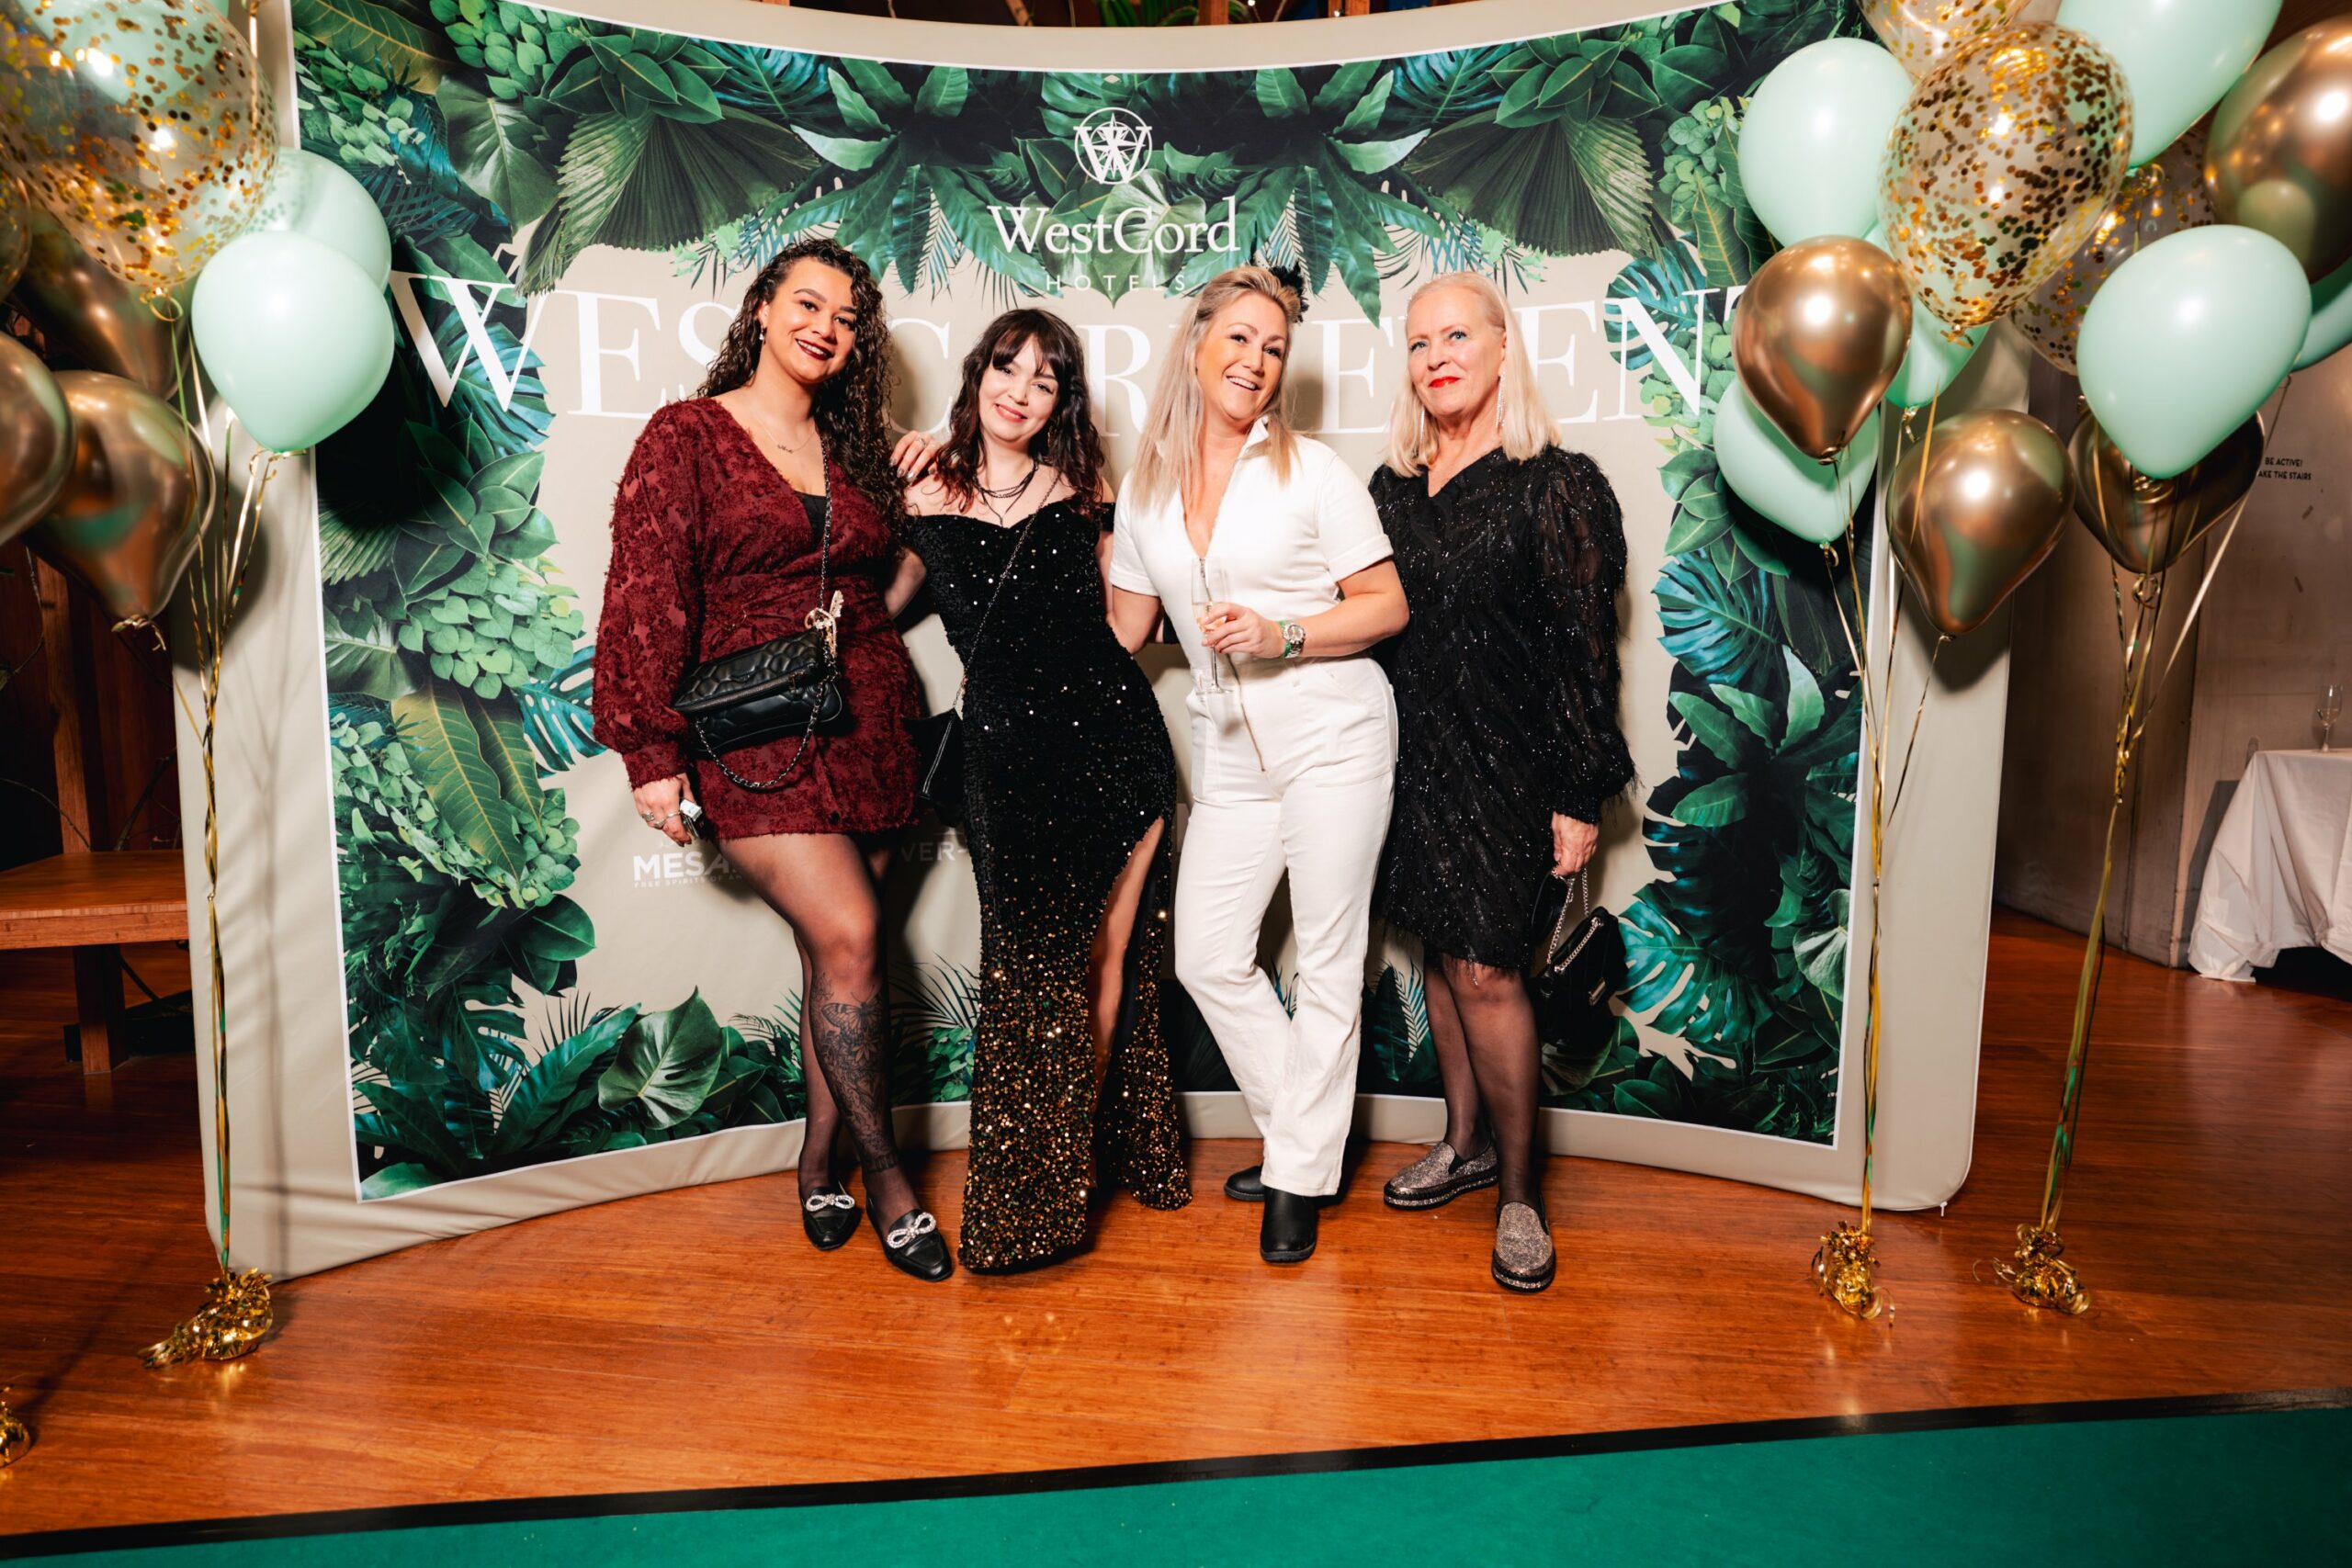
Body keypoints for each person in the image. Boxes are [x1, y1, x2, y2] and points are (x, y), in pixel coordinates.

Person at [591, 238, 952, 1283]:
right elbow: (646, 588)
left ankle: (814, 1163)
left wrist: (924, 500)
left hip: (870, 716)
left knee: (834, 961)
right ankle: (889, 1181)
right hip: (755, 732)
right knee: (851, 936)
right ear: (761, 309)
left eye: (844, 317)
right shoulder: (688, 434)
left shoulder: (856, 450)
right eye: (806, 303)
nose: (823, 327)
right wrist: (649, 752)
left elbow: (886, 580)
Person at [1104, 265, 1408, 1267]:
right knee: (1205, 955)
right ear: (1196, 344)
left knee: (1326, 958)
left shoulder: (1309, 470)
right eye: (1239, 338)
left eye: (1274, 348)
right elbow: (1126, 628)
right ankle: (1303, 1144)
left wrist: (1282, 632)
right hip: (1228, 745)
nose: (1256, 361)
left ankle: (1295, 1176)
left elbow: (1385, 606)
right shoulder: (1144, 493)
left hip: (1333, 730)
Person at [894, 310, 1191, 1272]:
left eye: (1044, 380)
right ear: (977, 374)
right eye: (1006, 368)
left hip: (1114, 745)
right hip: (1004, 762)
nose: (1020, 392)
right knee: (1030, 973)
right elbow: (873, 607)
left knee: (1104, 965)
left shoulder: (1087, 493)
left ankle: (1065, 1177)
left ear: (1062, 401)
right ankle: (1038, 1184)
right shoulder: (920, 488)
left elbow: (1130, 626)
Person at [1369, 271, 1634, 1294]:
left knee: (1486, 969)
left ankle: (1521, 1193)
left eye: (1456, 336)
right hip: (1409, 761)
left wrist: (1577, 794)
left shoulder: (1555, 483)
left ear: (1502, 347)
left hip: (1512, 769)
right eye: (1418, 342)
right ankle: (1465, 1142)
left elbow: (1584, 653)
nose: (1436, 357)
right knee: (1441, 957)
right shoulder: (1392, 488)